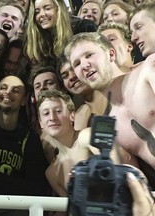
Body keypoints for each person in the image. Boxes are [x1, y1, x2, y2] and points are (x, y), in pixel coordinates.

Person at [64, 32, 155, 188]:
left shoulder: (148, 69)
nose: (84, 65)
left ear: (111, 54)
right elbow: (136, 180)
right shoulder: (107, 125)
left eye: (89, 55)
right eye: (77, 64)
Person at [0, 75, 49, 216]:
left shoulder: (29, 137)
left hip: (13, 208)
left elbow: (37, 188)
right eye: (3, 88)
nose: (8, 92)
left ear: (24, 100)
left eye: (16, 90)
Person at [37, 89, 137, 196]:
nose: (52, 118)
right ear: (41, 123)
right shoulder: (52, 173)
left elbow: (120, 165)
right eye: (46, 113)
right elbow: (71, 209)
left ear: (72, 115)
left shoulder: (87, 136)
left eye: (58, 111)